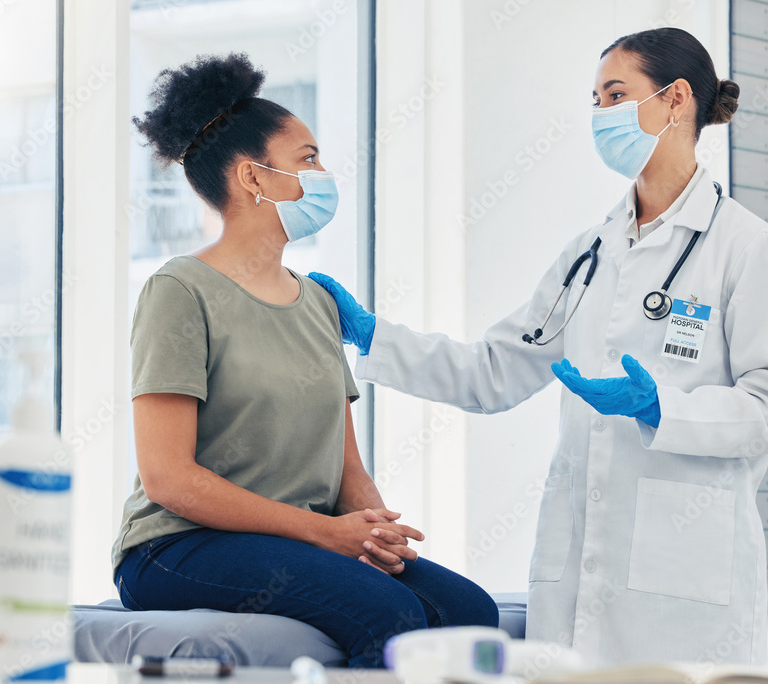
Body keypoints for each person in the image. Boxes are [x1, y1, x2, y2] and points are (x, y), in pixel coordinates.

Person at [309, 28, 768, 667]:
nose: (599, 115)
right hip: (577, 574)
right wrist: (376, 336)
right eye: (595, 99)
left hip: (686, 580)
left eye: (615, 94)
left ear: (677, 100)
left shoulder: (747, 246)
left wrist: (662, 409)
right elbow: (495, 373)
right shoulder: (590, 255)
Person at [110, 52, 498, 669]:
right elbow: (169, 479)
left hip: (299, 541)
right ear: (253, 178)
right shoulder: (180, 291)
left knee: (472, 615)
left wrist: (372, 529)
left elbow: (345, 467)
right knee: (388, 614)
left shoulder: (317, 299)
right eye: (308, 159)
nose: (323, 174)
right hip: (180, 546)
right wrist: (325, 534)